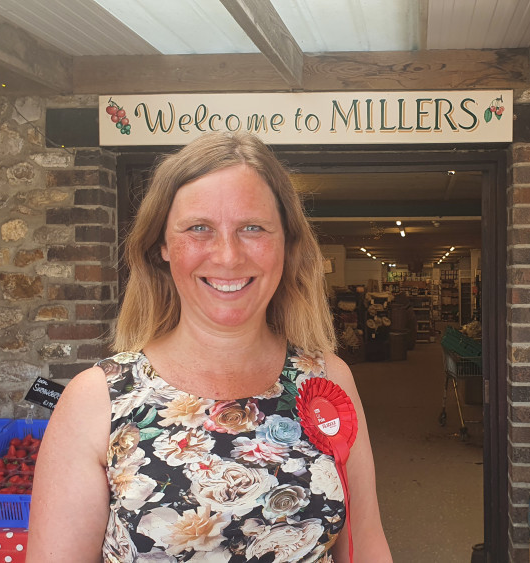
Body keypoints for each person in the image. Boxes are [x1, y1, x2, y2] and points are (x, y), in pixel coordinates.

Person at [27, 132, 393, 562]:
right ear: (162, 245)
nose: (227, 256)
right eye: (199, 228)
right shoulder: (98, 399)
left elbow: (364, 542)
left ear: (287, 244)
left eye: (252, 228)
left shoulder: (328, 380)